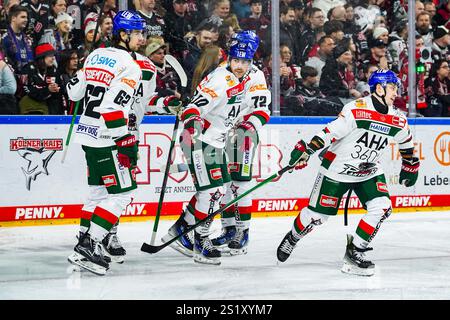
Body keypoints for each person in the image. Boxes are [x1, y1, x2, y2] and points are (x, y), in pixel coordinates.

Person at [276, 69, 420, 277]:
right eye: (392, 87)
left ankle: (355, 251)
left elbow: (405, 142)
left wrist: (410, 164)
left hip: (368, 171)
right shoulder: (357, 109)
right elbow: (330, 132)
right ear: (378, 88)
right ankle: (293, 237)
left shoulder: (397, 119)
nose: (395, 92)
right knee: (317, 217)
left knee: (382, 207)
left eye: (396, 88)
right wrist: (308, 149)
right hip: (337, 171)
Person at [161, 30, 271, 264]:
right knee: (212, 192)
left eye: (245, 61)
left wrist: (248, 126)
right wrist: (192, 123)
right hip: (201, 140)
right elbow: (195, 107)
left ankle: (184, 233)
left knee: (216, 191)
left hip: (218, 141)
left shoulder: (244, 79)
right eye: (236, 60)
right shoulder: (221, 78)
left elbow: (261, 108)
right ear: (229, 59)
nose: (240, 65)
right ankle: (200, 240)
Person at [65, 10, 148, 275]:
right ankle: (89, 245)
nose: (142, 38)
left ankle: (84, 239)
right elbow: (112, 108)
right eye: (138, 33)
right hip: (107, 137)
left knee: (98, 194)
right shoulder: (131, 65)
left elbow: (73, 91)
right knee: (123, 194)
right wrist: (124, 140)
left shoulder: (95, 55)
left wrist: (82, 71)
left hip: (87, 135)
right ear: (123, 34)